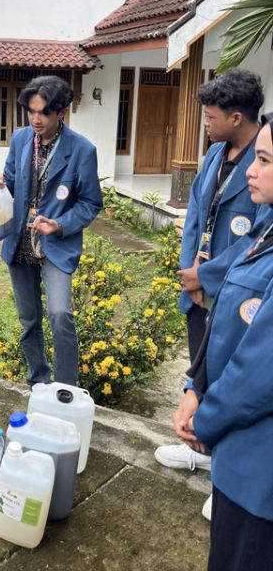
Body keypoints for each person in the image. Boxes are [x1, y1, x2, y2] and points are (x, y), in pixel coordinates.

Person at [155, 69, 264, 510]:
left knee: (231, 379)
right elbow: (196, 217)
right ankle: (199, 450)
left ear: (237, 117)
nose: (204, 121)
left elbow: (257, 237)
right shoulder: (214, 154)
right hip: (198, 289)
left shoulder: (263, 163)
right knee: (202, 370)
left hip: (236, 293)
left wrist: (210, 275)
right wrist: (189, 272)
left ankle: (226, 476)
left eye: (211, 115)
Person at [173, 113, 273, 571]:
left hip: (260, 477)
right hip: (236, 461)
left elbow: (258, 372)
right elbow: (229, 321)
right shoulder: (268, 224)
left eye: (266, 161)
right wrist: (195, 385)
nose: (253, 168)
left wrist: (204, 421)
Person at [0, 75, 102, 387]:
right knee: (28, 320)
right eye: (31, 111)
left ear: (62, 111)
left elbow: (91, 202)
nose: (36, 119)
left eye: (44, 113)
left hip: (56, 244)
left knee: (60, 314)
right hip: (20, 241)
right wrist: (0, 181)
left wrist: (61, 225)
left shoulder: (82, 150)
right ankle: (38, 380)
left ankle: (65, 389)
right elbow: (12, 180)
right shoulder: (20, 138)